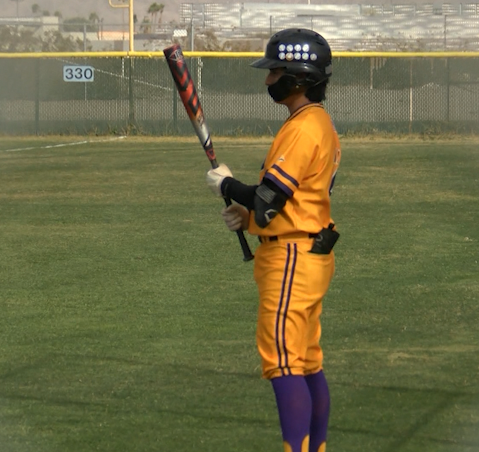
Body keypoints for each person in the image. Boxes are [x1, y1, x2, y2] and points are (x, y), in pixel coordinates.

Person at [205, 28, 341, 452]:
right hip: (308, 253)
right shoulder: (316, 123)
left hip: (292, 261)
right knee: (306, 363)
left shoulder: (303, 129)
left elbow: (269, 202)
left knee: (282, 364)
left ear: (298, 77)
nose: (268, 80)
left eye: (275, 72)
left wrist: (228, 187)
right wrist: (247, 220)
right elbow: (287, 205)